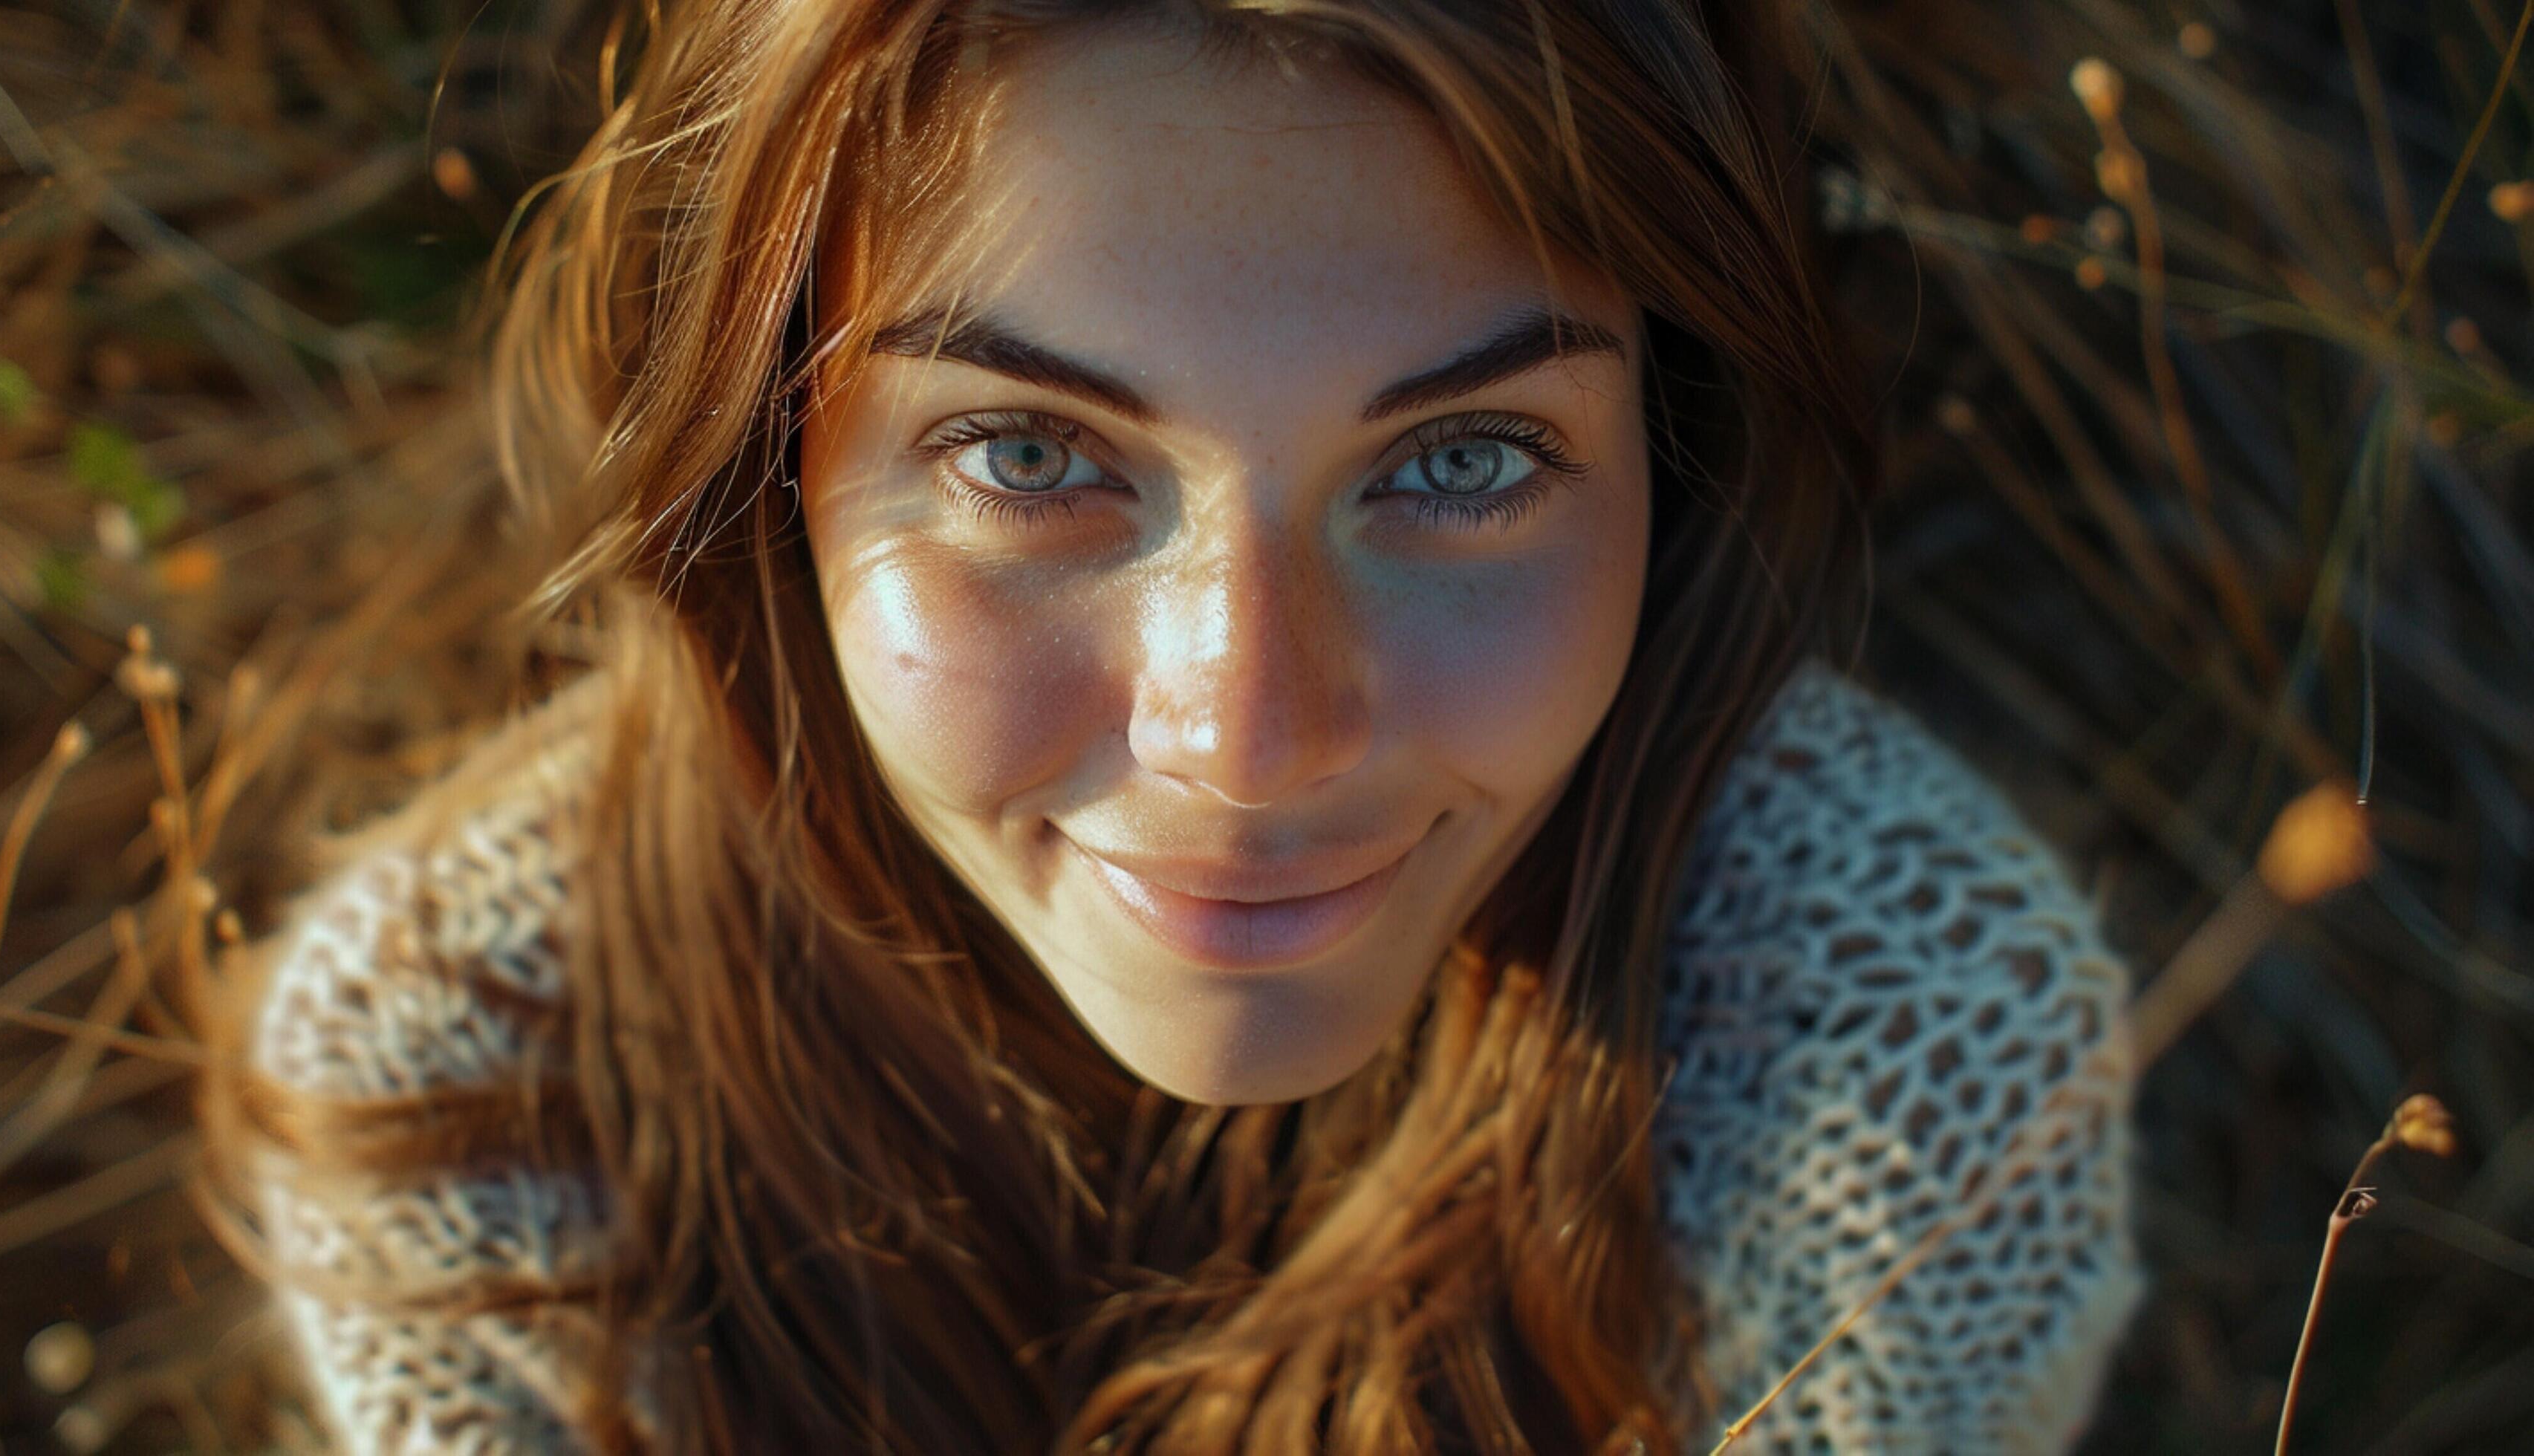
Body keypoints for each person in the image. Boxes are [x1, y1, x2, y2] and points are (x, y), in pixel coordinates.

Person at [205, 1, 2143, 1451]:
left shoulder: (1895, 1036)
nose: (1251, 735)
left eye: (1464, 459)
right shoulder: (471, 1068)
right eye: (1028, 453)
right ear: (758, 456)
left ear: (1677, 450)